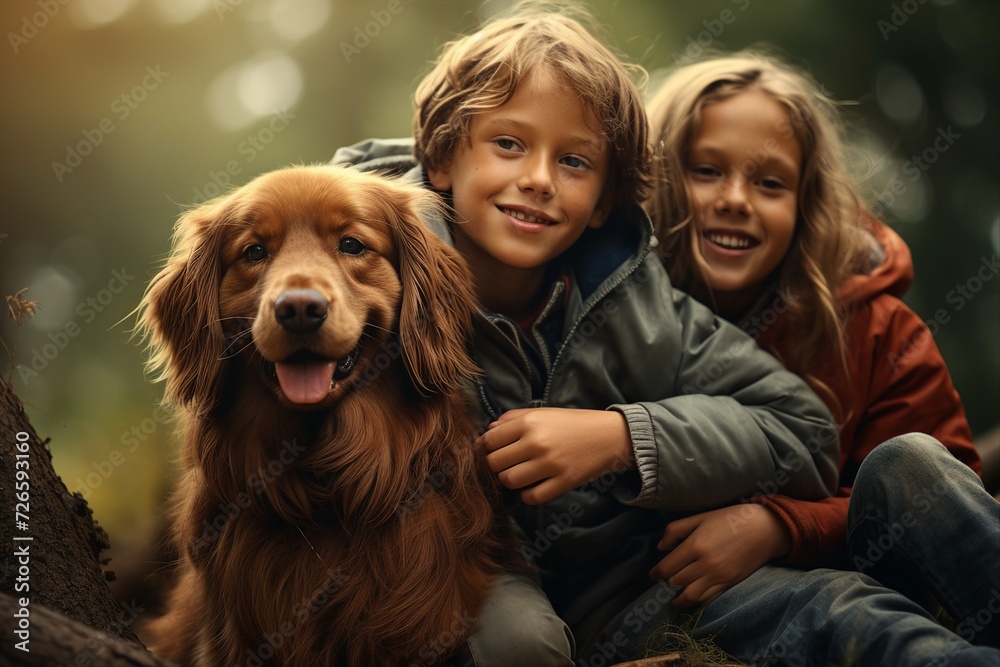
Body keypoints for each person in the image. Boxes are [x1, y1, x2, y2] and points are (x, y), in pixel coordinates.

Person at [333, 5, 841, 666]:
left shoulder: (638, 302)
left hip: (635, 589)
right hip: (458, 575)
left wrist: (624, 436)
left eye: (574, 161)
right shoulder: (365, 275)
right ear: (442, 157)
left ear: (604, 199)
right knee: (522, 644)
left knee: (836, 605)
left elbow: (806, 430)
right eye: (509, 144)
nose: (539, 179)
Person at [642, 50, 1000, 662]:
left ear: (806, 203)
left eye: (769, 183)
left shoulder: (877, 327)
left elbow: (942, 498)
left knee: (909, 461)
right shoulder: (628, 320)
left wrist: (782, 527)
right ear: (658, 181)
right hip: (735, 593)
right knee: (833, 605)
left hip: (872, 558)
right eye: (706, 171)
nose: (736, 198)